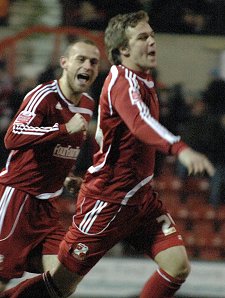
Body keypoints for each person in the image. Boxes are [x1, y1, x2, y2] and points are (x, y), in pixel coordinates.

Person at [1, 10, 215, 298]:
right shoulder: (115, 84)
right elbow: (139, 123)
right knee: (58, 283)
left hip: (134, 198)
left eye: (152, 35)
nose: (152, 41)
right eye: (143, 37)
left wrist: (71, 176)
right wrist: (180, 149)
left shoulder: (105, 95)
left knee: (177, 266)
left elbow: (104, 138)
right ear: (123, 50)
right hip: (87, 200)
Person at [0, 38, 100, 292]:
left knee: (62, 279)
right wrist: (64, 128)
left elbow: (61, 151)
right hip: (18, 198)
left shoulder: (88, 105)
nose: (87, 66)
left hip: (48, 207)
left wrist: (67, 176)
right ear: (64, 63)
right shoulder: (43, 96)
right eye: (81, 59)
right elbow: (12, 137)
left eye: (93, 62)